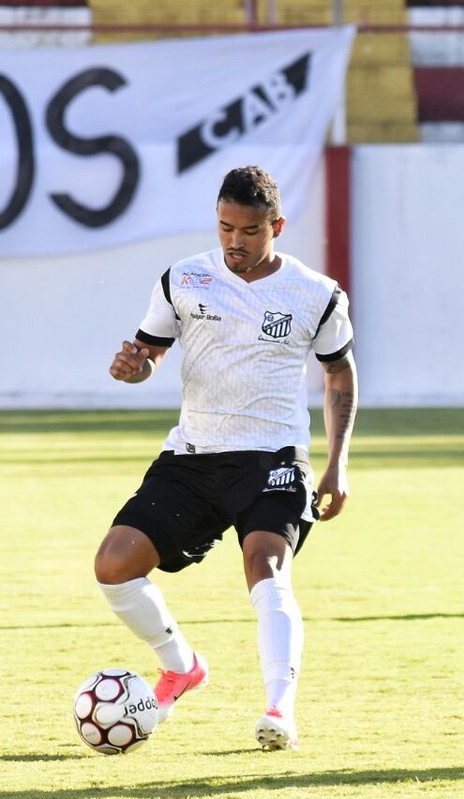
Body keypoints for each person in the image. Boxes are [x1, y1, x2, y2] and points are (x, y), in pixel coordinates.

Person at [94, 165, 358, 751]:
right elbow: (149, 353)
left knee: (265, 565)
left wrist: (337, 463)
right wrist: (134, 369)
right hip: (193, 455)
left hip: (273, 458)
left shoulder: (316, 294)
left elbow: (339, 372)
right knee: (113, 566)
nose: (235, 242)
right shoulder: (184, 279)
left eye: (250, 230)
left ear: (277, 227)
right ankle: (180, 665)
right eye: (224, 227)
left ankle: (278, 708)